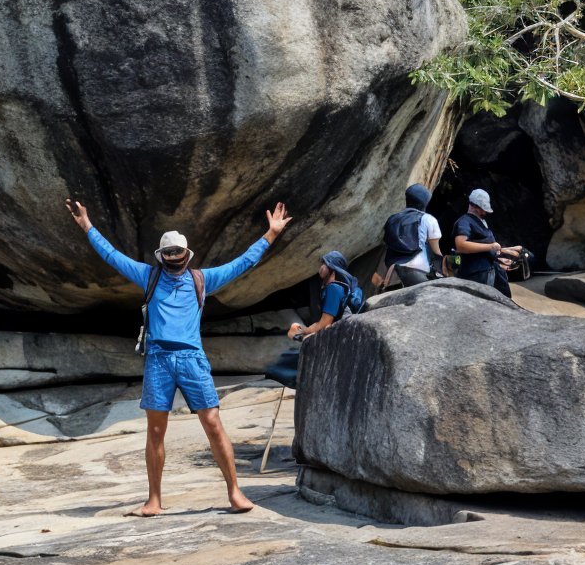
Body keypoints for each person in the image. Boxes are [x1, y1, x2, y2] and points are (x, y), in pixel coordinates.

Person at [68, 197, 291, 516]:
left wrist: (271, 234)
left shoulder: (202, 279)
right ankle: (154, 500)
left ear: (187, 255)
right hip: (158, 359)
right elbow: (112, 257)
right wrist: (88, 226)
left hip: (192, 359)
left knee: (213, 423)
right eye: (169, 253)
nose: (174, 257)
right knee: (156, 431)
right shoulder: (149, 276)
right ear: (162, 256)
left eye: (179, 253)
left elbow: (243, 262)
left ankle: (235, 492)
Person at [450, 190, 523, 296]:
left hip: (487, 270)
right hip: (474, 273)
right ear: (474, 206)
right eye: (483, 209)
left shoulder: (481, 222)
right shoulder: (464, 221)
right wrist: (491, 246)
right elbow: (461, 245)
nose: (485, 213)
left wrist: (504, 251)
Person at [374, 183, 442, 289]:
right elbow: (436, 252)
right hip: (418, 273)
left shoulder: (393, 219)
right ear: (425, 203)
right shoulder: (428, 219)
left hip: (391, 274)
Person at [288, 251, 364, 341]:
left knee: (297, 331)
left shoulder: (334, 289)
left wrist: (307, 330)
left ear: (333, 269)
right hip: (337, 328)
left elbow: (325, 324)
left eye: (325, 264)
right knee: (295, 327)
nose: (321, 267)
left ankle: (305, 341)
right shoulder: (334, 287)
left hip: (341, 332)